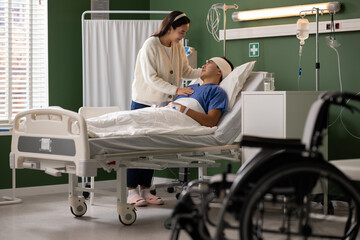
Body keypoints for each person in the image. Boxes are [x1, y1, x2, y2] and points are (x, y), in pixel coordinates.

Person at [127, 11, 202, 207]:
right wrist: (177, 89)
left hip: (163, 104)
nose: (183, 36)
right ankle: (131, 192)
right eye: (181, 32)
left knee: (152, 149)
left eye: (185, 32)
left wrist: (205, 71)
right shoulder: (150, 45)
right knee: (136, 148)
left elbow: (185, 71)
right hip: (143, 101)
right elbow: (152, 78)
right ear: (170, 28)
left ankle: (146, 190)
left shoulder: (177, 46)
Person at [171, 57, 233, 127]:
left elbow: (211, 121)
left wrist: (184, 110)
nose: (203, 66)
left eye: (209, 63)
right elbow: (173, 106)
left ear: (219, 71)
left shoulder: (216, 91)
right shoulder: (190, 87)